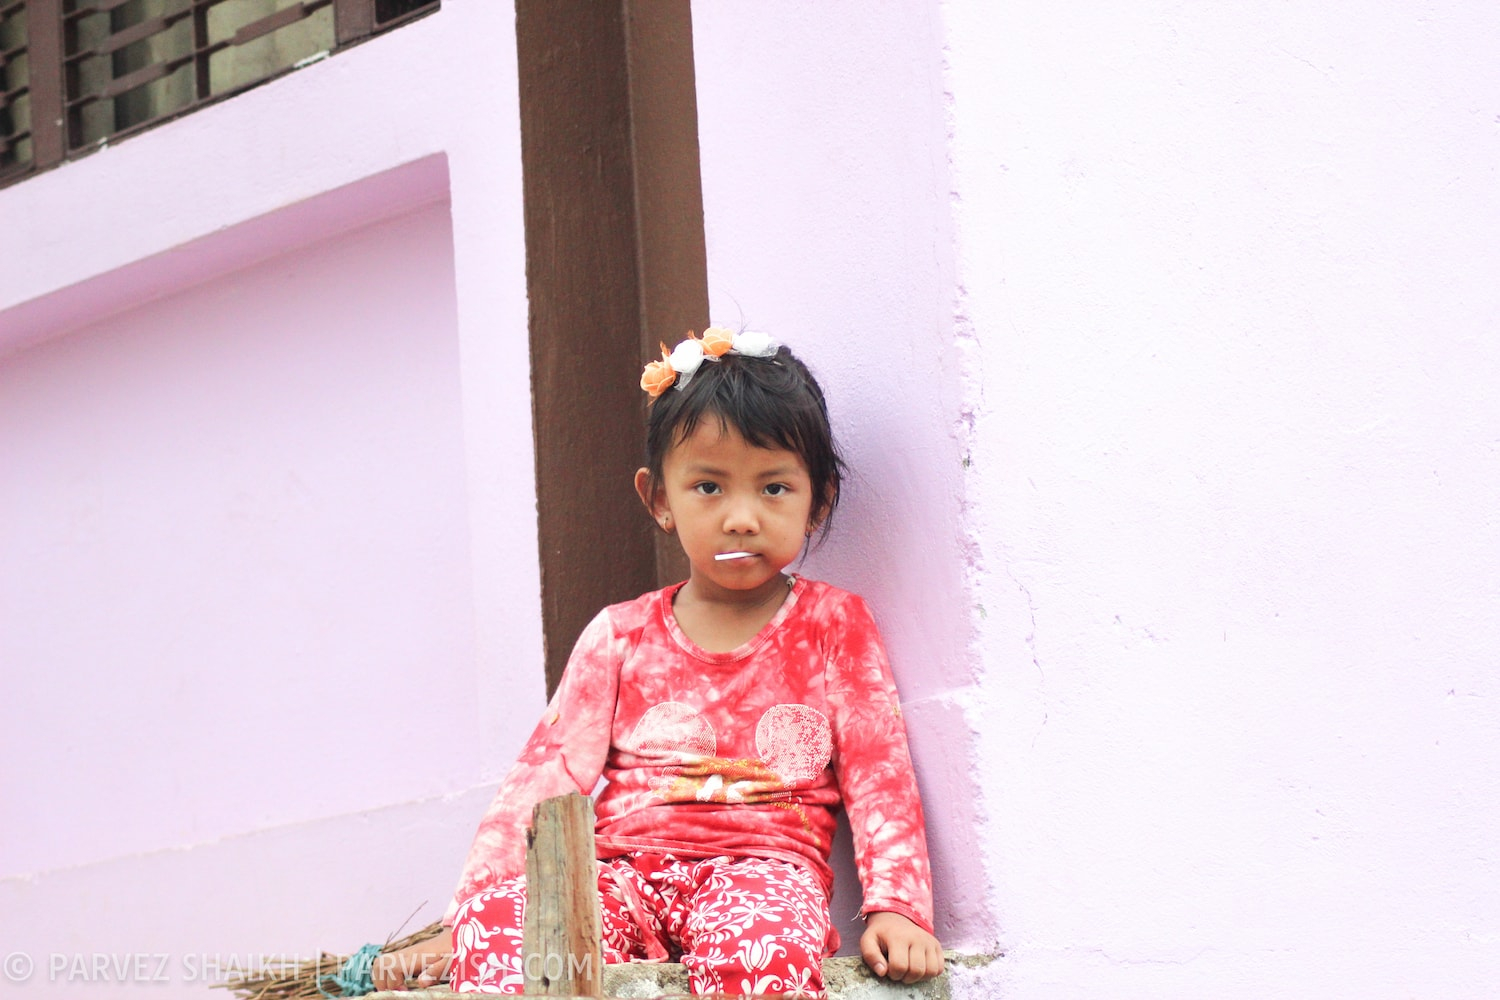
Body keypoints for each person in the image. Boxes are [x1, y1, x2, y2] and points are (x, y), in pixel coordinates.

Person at [373, 329, 942, 996]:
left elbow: (880, 772)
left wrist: (898, 907)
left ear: (818, 500)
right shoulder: (621, 635)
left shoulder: (833, 625)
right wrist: (465, 911)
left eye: (774, 489)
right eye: (708, 486)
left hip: (762, 873)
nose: (740, 517)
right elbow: (544, 776)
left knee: (763, 952)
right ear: (659, 500)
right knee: (499, 931)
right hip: (620, 877)